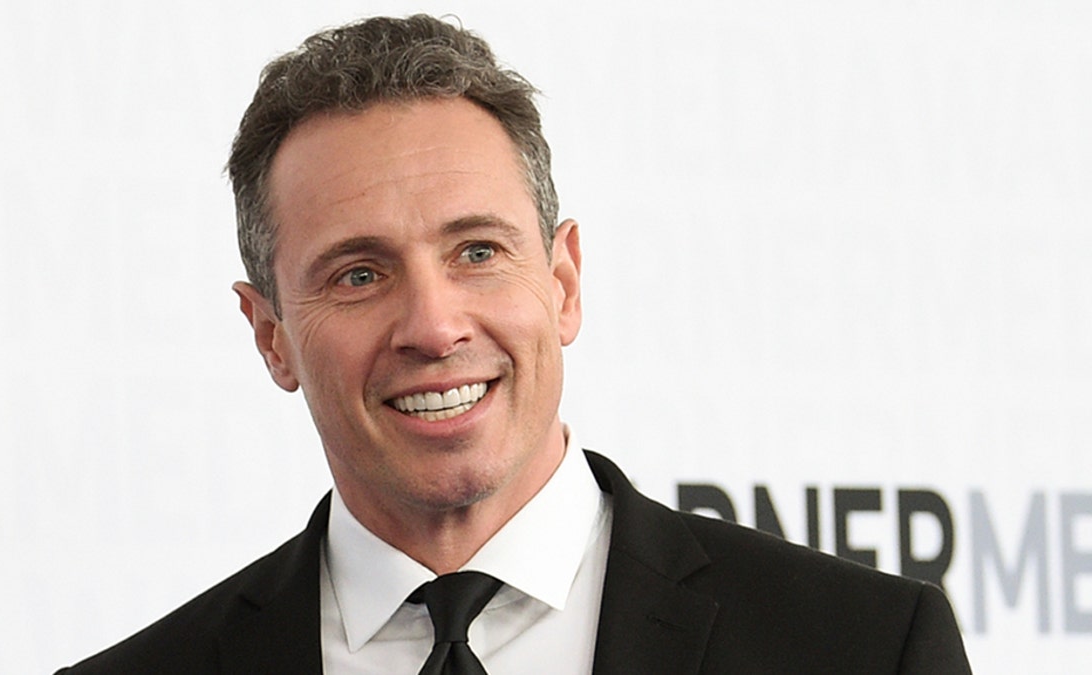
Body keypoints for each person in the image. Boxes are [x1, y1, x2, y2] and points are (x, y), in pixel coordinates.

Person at [60, 14, 971, 674]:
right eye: (360, 274)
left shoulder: (861, 648)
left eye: (478, 252)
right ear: (272, 337)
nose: (434, 327)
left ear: (563, 282)